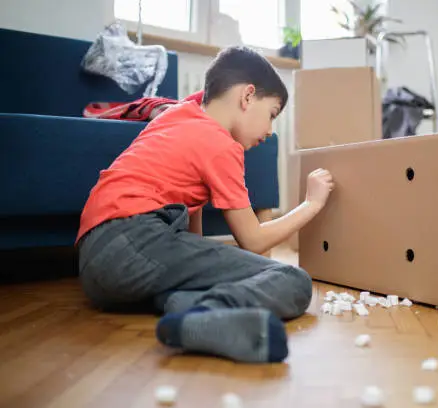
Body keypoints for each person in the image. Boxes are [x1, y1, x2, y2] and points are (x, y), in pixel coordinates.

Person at [76, 46, 334, 364]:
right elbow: (252, 241)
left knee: (199, 280)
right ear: (247, 96)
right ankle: (206, 315)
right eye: (271, 114)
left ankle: (186, 312)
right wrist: (311, 203)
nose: (269, 131)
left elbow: (191, 217)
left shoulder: (181, 114)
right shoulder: (219, 144)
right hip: (134, 240)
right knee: (293, 281)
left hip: (96, 263)